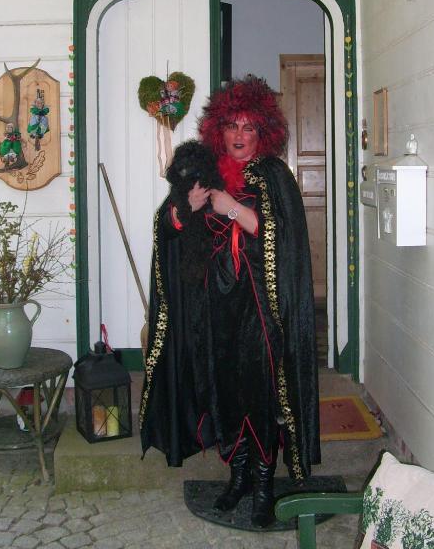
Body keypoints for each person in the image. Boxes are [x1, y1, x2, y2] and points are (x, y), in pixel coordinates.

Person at [139, 76, 320, 528]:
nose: (239, 135)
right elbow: (168, 226)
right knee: (224, 391)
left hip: (259, 308)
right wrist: (184, 209)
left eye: (249, 127)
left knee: (259, 393)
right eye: (232, 126)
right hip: (213, 308)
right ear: (218, 129)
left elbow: (284, 238)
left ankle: (264, 485)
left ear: (263, 133)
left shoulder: (274, 175)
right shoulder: (205, 171)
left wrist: (232, 209)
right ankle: (238, 477)